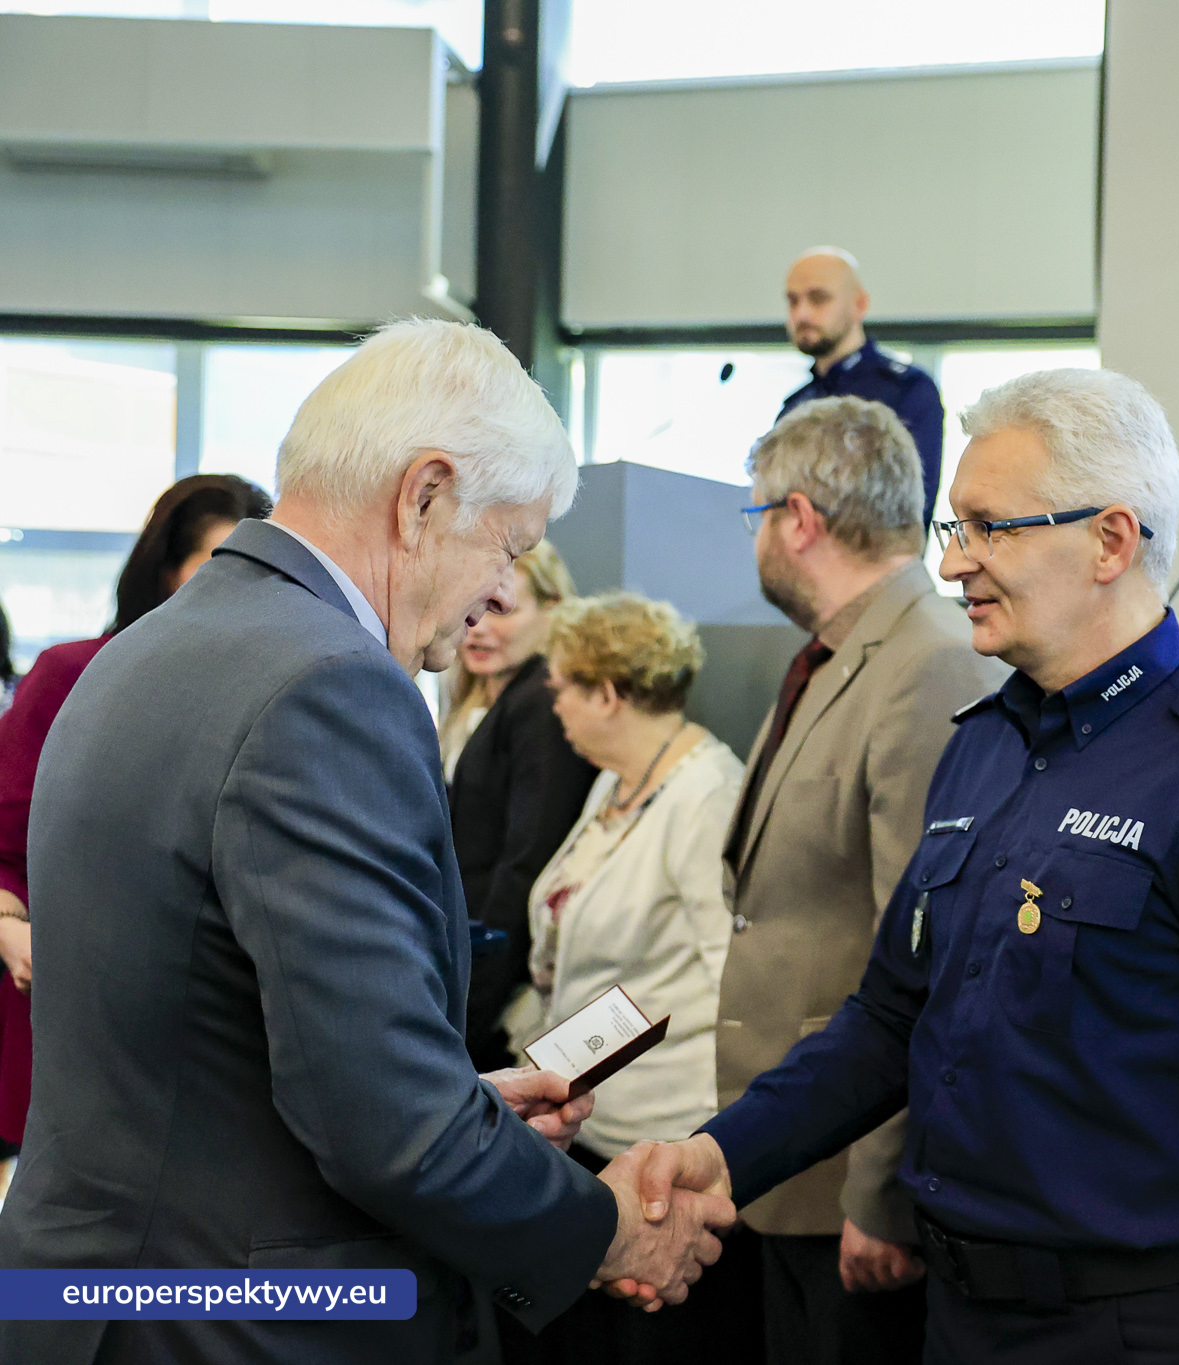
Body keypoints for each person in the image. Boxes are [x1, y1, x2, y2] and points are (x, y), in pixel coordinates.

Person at [619, 369, 1179, 1364]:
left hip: (1135, 1325)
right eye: (955, 529)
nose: (954, 566)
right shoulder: (985, 744)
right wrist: (721, 1154)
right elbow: (890, 1019)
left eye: (990, 529)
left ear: (1110, 541)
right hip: (961, 1317)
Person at [0, 320, 728, 1364]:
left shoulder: (146, 648)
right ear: (423, 496)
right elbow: (386, 1128)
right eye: (508, 547)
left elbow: (209, 1039)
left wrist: (459, 1102)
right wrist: (605, 1229)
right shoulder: (329, 687)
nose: (498, 593)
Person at [724, 396, 1005, 1365]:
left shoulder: (924, 663)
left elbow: (927, 951)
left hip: (849, 1185)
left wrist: (880, 1191)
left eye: (755, 513)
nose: (754, 537)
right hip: (790, 1167)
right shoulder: (835, 655)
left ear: (797, 520)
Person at [505, 590, 753, 1364]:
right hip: (592, 1128)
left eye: (564, 691)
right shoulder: (615, 783)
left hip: (666, 1138)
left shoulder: (705, 792)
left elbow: (733, 978)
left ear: (608, 693)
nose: (556, 709)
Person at [0, 473, 272, 1153]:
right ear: (164, 569)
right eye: (214, 566)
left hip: (214, 1046)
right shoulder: (71, 674)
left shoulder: (284, 697)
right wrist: (11, 928)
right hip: (62, 1019)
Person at [443, 540, 599, 1071]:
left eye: (503, 609)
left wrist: (470, 1004)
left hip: (496, 984)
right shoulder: (482, 700)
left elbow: (526, 859)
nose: (479, 626)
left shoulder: (538, 705)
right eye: (475, 604)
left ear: (554, 613)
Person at [777, 248, 944, 526]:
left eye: (818, 298)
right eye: (793, 301)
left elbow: (909, 513)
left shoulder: (906, 390)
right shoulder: (795, 405)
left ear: (860, 305)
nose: (801, 313)